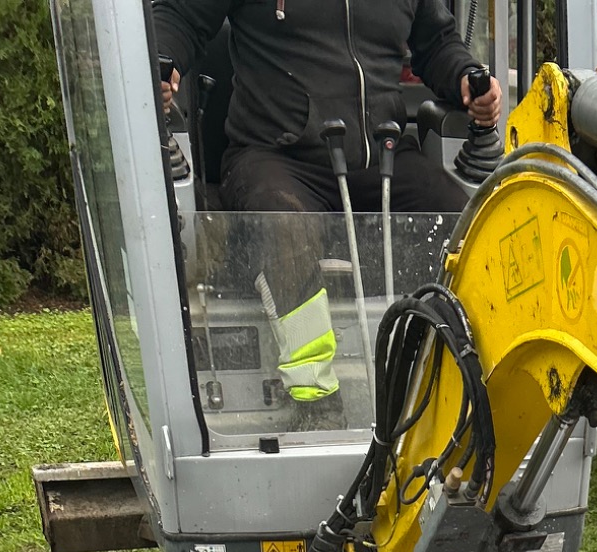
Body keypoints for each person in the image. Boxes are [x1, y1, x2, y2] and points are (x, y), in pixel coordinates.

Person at [151, 0, 501, 401]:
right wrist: (161, 62)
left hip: (379, 154)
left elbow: (436, 41)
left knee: (466, 223)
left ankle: (456, 387)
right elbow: (180, 15)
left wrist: (465, 77)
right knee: (283, 223)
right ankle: (315, 397)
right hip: (276, 155)